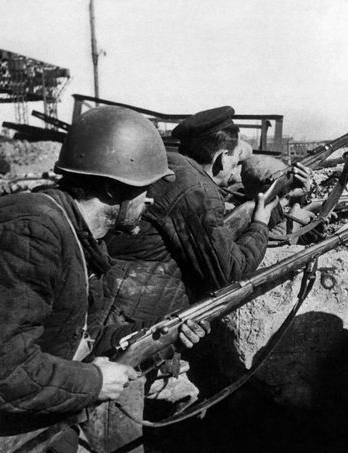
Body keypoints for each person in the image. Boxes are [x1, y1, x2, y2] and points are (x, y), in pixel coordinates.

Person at [0, 106, 208, 452]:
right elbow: (2, 374)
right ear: (111, 188)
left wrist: (162, 334)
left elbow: (74, 336)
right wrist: (96, 381)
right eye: (144, 188)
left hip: (40, 426)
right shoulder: (31, 232)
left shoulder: (76, 236)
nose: (150, 199)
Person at [95, 106, 279, 452]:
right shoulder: (196, 188)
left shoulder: (169, 168)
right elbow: (229, 272)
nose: (234, 172)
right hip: (126, 331)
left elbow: (201, 237)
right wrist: (261, 223)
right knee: (112, 436)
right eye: (235, 164)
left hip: (115, 314)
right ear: (222, 158)